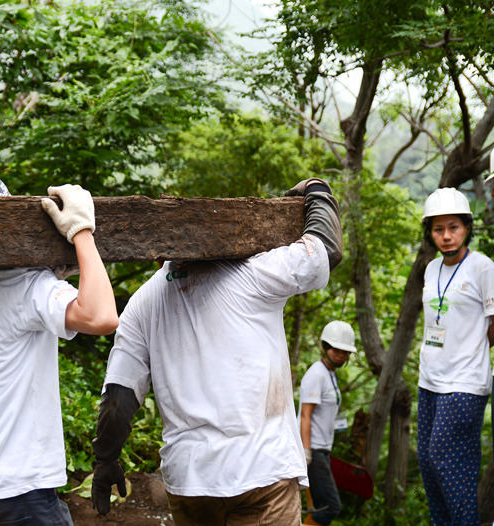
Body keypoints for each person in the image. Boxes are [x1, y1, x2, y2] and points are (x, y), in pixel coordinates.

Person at [90, 178, 344, 525]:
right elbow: (326, 250)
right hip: (261, 473)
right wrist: (317, 191)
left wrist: (106, 460)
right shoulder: (253, 274)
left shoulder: (142, 304)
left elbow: (119, 397)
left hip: (191, 482)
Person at [0, 153, 119, 526]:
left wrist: (52, 274)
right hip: (15, 493)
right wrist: (81, 232)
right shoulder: (23, 283)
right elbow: (101, 316)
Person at [417, 187, 494, 526]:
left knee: (445, 457)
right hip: (429, 380)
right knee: (427, 463)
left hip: (465, 382)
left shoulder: (483, 267)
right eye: (438, 229)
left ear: (467, 228)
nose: (446, 236)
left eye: (454, 227)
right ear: (430, 232)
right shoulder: (432, 269)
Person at [298, 320, 356, 526]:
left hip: (322, 449)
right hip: (313, 449)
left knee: (319, 507)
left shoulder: (329, 373)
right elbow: (305, 415)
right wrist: (306, 452)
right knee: (330, 507)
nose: (340, 355)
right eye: (336, 350)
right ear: (325, 347)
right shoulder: (316, 374)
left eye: (345, 351)